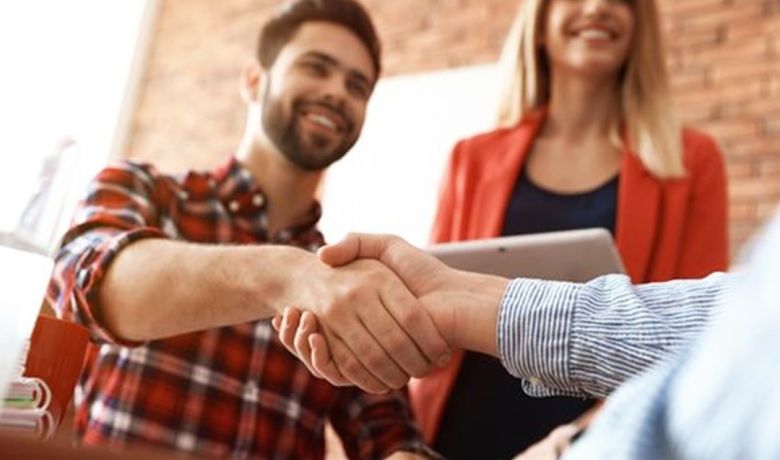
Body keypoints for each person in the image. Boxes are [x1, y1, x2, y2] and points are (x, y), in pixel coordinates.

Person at [46, 1, 451, 458]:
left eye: (356, 86)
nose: (337, 92)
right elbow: (88, 290)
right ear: (254, 80)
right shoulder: (142, 190)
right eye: (316, 67)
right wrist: (287, 275)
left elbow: (391, 436)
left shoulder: (341, 280)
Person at [410, 0, 729, 455]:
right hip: (460, 429)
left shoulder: (691, 161)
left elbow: (701, 343)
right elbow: (435, 295)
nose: (598, 7)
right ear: (540, 24)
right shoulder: (472, 158)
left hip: (596, 440)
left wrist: (572, 441)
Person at [276, 221, 775, 459]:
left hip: (593, 424)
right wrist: (456, 299)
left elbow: (721, 358)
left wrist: (565, 445)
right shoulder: (476, 154)